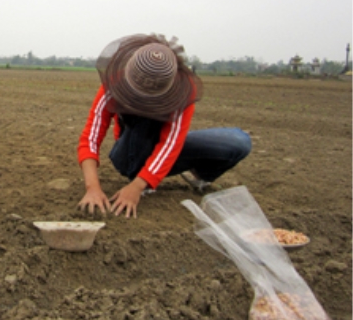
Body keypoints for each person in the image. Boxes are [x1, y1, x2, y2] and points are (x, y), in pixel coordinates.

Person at [77, 33, 251, 218]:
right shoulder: (114, 85)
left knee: (239, 142)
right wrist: (93, 188)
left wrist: (136, 188)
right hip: (129, 152)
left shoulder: (182, 91)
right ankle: (137, 173)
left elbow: (171, 143)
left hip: (162, 148)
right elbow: (91, 138)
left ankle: (197, 175)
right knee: (146, 119)